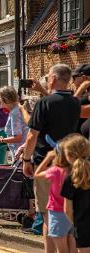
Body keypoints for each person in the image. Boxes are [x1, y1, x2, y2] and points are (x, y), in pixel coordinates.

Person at [22, 64, 80, 253]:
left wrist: (26, 160)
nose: (47, 79)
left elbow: (32, 135)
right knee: (68, 216)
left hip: (48, 164)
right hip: (71, 164)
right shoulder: (75, 102)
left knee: (49, 216)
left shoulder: (43, 104)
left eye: (48, 76)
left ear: (54, 78)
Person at [34, 136, 77, 253]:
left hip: (57, 214)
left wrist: (47, 158)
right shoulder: (76, 171)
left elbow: (36, 174)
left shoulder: (55, 171)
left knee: (61, 248)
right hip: (73, 212)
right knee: (72, 243)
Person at [60, 134, 90, 252]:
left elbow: (67, 209)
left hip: (82, 225)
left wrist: (75, 223)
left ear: (70, 156)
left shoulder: (71, 178)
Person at [0, 86, 28, 160]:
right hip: (24, 150)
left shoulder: (14, 113)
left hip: (19, 153)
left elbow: (18, 137)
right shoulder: (19, 109)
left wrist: (2, 140)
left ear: (4, 99)